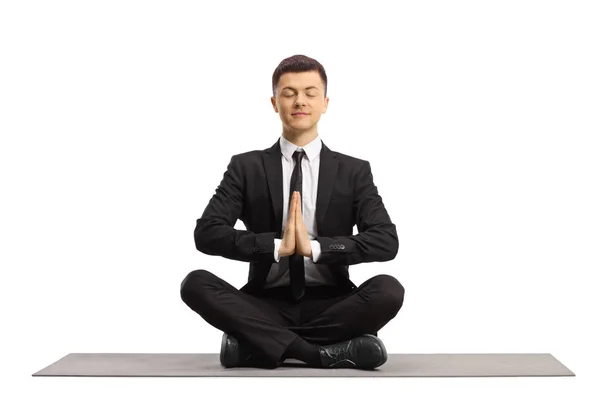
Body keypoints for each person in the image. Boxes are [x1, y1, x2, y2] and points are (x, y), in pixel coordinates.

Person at [180, 54, 405, 370]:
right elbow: (207, 233)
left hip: (334, 304)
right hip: (264, 304)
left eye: (310, 93)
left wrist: (316, 249)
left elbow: (385, 241)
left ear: (325, 102)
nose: (300, 101)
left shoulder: (354, 171)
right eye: (289, 93)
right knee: (195, 283)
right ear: (274, 102)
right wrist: (275, 247)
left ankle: (256, 345)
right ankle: (320, 353)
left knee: (388, 290)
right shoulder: (246, 167)